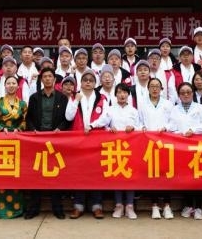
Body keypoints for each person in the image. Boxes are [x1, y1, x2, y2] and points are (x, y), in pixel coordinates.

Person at [89, 83, 142, 220]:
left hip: (131, 148)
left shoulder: (134, 111)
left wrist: (133, 127)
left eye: (124, 92)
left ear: (128, 95)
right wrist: (93, 126)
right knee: (117, 174)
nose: (122, 95)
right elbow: (102, 122)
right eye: (119, 92)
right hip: (116, 147)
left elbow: (141, 126)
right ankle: (118, 205)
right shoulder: (110, 109)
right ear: (115, 94)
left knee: (130, 175)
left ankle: (129, 205)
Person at [24, 69, 71, 220]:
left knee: (56, 174)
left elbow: (67, 119)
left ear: (54, 79)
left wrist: (59, 129)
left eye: (50, 76)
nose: (48, 79)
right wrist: (33, 130)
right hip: (38, 140)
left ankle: (58, 208)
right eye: (44, 76)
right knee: (36, 174)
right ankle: (33, 208)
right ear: (41, 80)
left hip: (55, 140)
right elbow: (29, 118)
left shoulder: (62, 98)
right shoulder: (34, 97)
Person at [168, 82, 202, 220]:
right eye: (182, 93)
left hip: (198, 147)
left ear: (193, 93)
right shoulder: (174, 109)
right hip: (181, 148)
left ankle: (198, 207)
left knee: (199, 177)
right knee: (185, 177)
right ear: (179, 95)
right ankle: (188, 205)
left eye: (188, 92)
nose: (185, 95)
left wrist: (193, 130)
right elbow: (172, 126)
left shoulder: (201, 108)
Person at [67, 68, 106, 219]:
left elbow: (106, 117)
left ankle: (97, 206)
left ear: (95, 83)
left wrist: (92, 125)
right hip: (79, 141)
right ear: (81, 82)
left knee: (96, 173)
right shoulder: (74, 97)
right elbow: (69, 116)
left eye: (91, 80)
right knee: (79, 173)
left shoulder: (101, 97)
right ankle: (78, 205)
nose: (88, 82)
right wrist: (76, 100)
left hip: (96, 140)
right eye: (85, 80)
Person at [0, 74, 28, 219]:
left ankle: (16, 209)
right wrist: (0, 128)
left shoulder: (22, 104)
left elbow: (25, 121)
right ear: (4, 86)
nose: (11, 85)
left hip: (16, 142)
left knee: (14, 174)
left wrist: (19, 129)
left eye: (13, 83)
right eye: (8, 83)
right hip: (0, 142)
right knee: (0, 174)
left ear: (18, 86)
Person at [139, 77, 175, 219]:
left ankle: (167, 206)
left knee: (166, 174)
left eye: (157, 86)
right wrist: (142, 127)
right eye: (152, 86)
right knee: (152, 174)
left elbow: (173, 122)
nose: (154, 89)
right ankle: (154, 205)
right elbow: (139, 121)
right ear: (148, 88)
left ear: (161, 89)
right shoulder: (142, 104)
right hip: (149, 143)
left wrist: (166, 127)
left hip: (165, 142)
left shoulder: (168, 104)